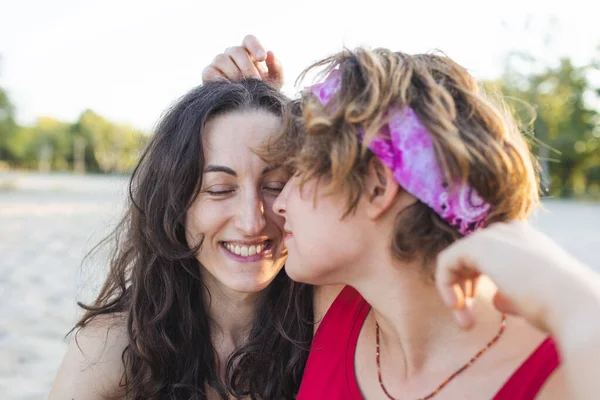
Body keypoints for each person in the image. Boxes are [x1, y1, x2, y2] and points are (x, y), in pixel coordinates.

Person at [205, 37, 600, 399]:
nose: (279, 203)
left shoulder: (559, 374)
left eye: (300, 172)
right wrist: (239, 103)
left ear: (377, 186)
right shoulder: (331, 303)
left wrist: (566, 289)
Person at [49, 79, 313, 399]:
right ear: (174, 205)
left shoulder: (335, 332)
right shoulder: (107, 351)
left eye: (275, 185)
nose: (251, 221)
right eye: (219, 190)